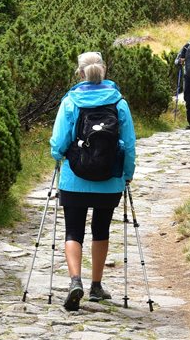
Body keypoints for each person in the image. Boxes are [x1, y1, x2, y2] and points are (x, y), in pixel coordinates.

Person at [49, 51, 137, 312]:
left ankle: (75, 281)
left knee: (73, 230)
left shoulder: (70, 102)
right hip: (109, 179)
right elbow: (130, 145)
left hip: (74, 178)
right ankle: (96, 285)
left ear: (80, 73)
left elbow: (58, 144)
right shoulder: (119, 103)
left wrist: (61, 156)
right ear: (104, 71)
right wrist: (127, 173)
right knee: (102, 229)